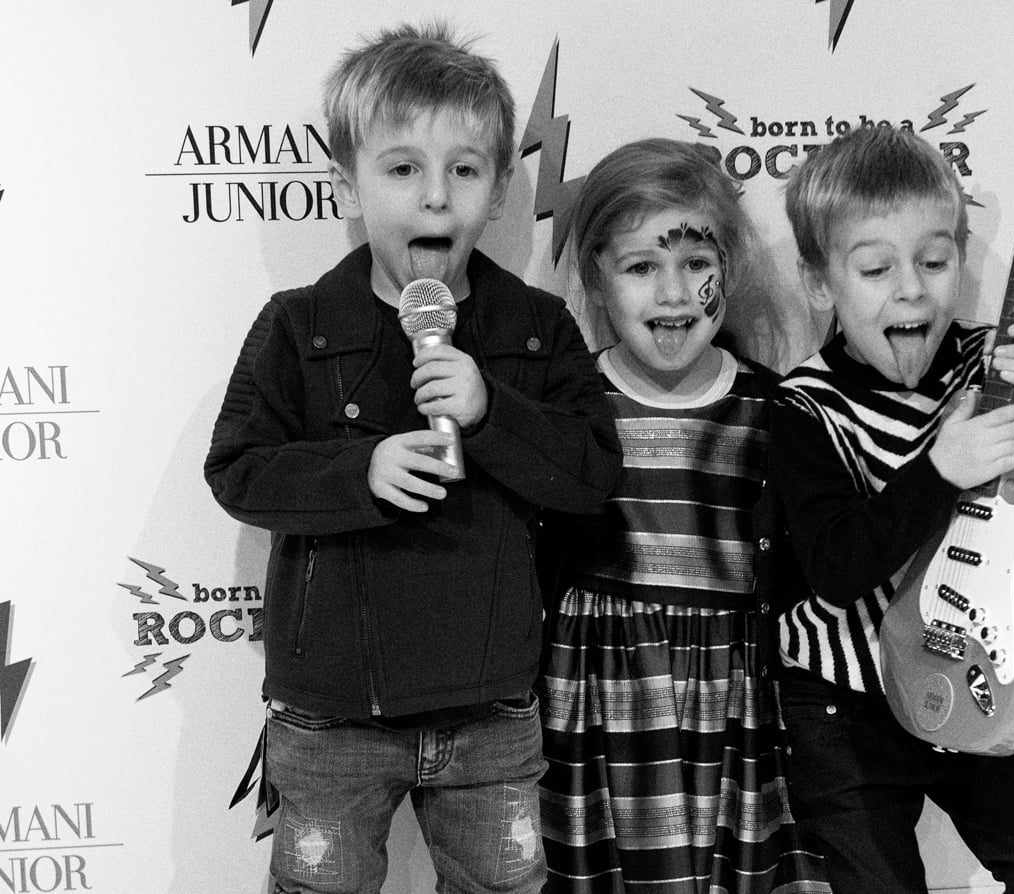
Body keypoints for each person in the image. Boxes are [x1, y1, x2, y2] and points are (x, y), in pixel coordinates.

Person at [204, 23, 622, 894]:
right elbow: (239, 468)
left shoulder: (538, 331)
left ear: (502, 188)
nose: (436, 200)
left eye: (465, 171)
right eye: (402, 170)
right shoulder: (296, 324)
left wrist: (491, 410)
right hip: (331, 718)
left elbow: (591, 473)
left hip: (492, 711)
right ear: (346, 181)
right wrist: (358, 473)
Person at [771, 125, 1014, 893]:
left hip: (976, 668)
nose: (912, 288)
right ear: (820, 283)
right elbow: (837, 568)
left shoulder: (985, 369)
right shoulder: (803, 409)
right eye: (874, 267)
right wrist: (941, 470)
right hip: (843, 702)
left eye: (934, 260)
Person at [535, 138, 828, 894]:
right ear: (598, 277)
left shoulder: (777, 411)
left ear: (727, 267)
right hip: (600, 697)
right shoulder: (566, 414)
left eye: (696, 265)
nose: (671, 295)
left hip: (737, 704)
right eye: (640, 267)